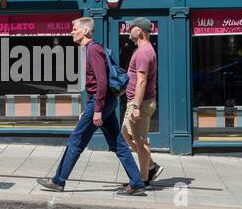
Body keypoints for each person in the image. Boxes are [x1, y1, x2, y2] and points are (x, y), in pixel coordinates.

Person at [37, 17, 146, 195]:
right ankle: (136, 183)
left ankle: (58, 180)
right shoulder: (90, 49)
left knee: (76, 140)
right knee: (117, 143)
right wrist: (89, 108)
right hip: (102, 101)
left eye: (74, 29)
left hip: (100, 101)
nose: (71, 32)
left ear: (86, 31)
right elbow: (95, 83)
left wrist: (96, 110)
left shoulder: (93, 49)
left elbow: (102, 83)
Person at [121, 17, 163, 188]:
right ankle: (151, 166)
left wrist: (136, 106)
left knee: (140, 140)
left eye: (132, 27)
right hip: (135, 101)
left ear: (140, 31)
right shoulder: (141, 50)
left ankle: (143, 180)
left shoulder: (144, 52)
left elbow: (142, 81)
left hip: (140, 103)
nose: (129, 29)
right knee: (125, 134)